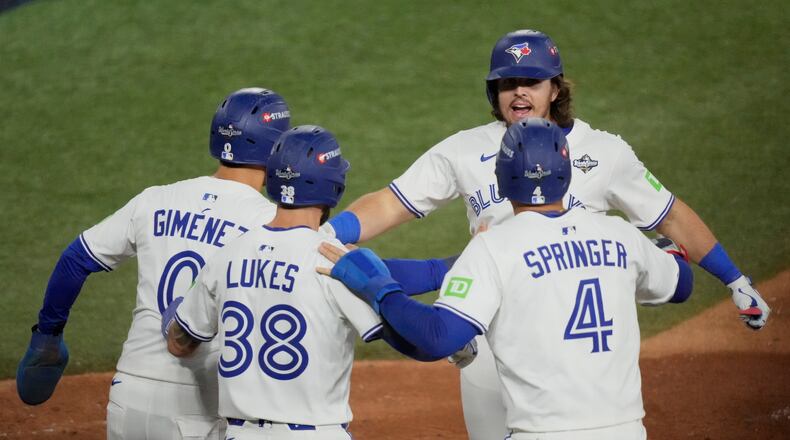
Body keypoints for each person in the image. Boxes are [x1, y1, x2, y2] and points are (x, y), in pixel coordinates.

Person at [321, 29, 770, 439]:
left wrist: (734, 279)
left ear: (555, 89)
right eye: (507, 82)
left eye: (531, 82)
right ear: (493, 92)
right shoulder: (463, 149)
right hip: (483, 328)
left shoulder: (606, 152)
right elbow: (390, 202)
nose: (518, 91)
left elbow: (670, 214)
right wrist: (325, 231)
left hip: (565, 336)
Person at [318, 118, 694, 439]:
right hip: (626, 430)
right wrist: (671, 251)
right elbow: (681, 285)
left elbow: (436, 338)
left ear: (501, 177)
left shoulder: (493, 248)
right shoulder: (622, 235)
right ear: (567, 173)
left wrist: (381, 291)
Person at [16, 87, 291, 439]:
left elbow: (75, 261)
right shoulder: (268, 223)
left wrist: (48, 337)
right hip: (199, 406)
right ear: (275, 149)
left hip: (128, 392)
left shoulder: (157, 198)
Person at [163, 125, 382, 440]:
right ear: (334, 186)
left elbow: (179, 343)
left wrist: (178, 310)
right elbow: (412, 333)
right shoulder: (335, 262)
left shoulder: (228, 255)